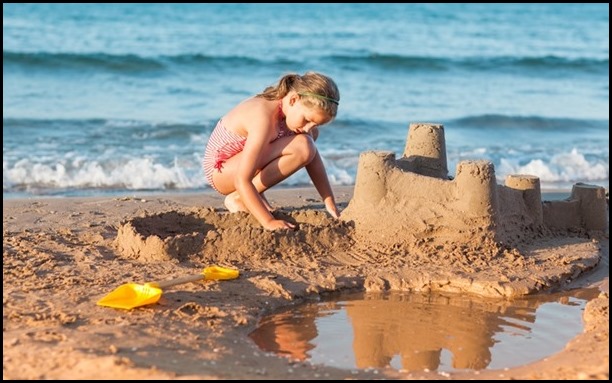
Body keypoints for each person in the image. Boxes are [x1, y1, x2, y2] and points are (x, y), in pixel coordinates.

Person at [203, 71, 341, 230]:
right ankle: (238, 198)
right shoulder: (264, 118)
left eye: (316, 124)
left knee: (307, 142)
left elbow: (313, 159)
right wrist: (268, 221)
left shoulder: (296, 119)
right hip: (221, 170)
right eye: (307, 120)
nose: (309, 128)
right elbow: (242, 179)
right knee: (303, 145)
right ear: (293, 99)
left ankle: (252, 196)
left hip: (245, 162)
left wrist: (329, 201)